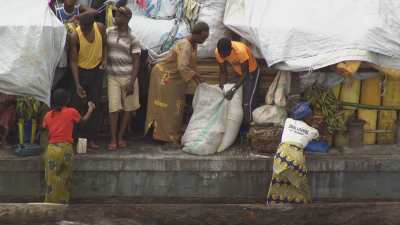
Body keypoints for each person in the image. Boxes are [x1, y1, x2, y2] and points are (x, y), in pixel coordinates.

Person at [145, 22, 209, 144]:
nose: (204, 40)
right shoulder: (186, 45)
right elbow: (182, 67)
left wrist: (198, 78)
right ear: (198, 34)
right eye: (203, 37)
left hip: (174, 79)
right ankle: (160, 136)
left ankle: (167, 134)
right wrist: (195, 76)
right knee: (164, 106)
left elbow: (190, 65)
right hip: (164, 76)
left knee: (175, 106)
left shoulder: (193, 44)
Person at [43, 89, 95, 203]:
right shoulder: (71, 112)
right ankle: (63, 203)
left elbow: (45, 131)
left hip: (52, 149)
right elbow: (83, 121)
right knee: (65, 178)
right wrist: (90, 109)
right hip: (66, 148)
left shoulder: (47, 115)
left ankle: (51, 204)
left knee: (51, 180)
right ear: (67, 101)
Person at [266, 103, 319, 204]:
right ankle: (303, 204)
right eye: (311, 116)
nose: (312, 118)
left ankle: (275, 205)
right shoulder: (312, 130)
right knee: (300, 186)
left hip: (281, 156)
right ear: (306, 117)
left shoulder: (288, 121)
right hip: (296, 158)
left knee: (278, 183)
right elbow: (317, 138)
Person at [105, 6, 141, 151]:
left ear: (127, 19)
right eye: (116, 15)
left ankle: (121, 137)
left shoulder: (133, 38)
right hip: (113, 76)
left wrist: (132, 82)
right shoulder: (108, 32)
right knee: (114, 109)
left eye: (119, 15)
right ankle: (113, 139)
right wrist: (104, 60)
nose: (116, 17)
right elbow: (105, 48)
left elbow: (137, 61)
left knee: (128, 109)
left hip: (128, 76)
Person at [69, 14, 106, 149]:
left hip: (96, 71)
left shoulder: (100, 28)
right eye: (81, 28)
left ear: (92, 25)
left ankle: (91, 138)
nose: (82, 30)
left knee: (94, 105)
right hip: (81, 71)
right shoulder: (75, 36)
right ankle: (75, 137)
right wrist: (77, 83)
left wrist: (105, 59)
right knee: (77, 105)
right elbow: (73, 61)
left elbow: (105, 44)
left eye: (85, 28)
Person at [215, 38, 260, 138]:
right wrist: (222, 87)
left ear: (231, 49)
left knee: (247, 102)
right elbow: (223, 72)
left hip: (251, 72)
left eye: (224, 54)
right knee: (234, 100)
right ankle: (239, 127)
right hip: (239, 73)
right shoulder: (218, 52)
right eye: (220, 54)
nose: (222, 56)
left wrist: (233, 90)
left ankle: (250, 129)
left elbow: (245, 74)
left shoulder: (241, 51)